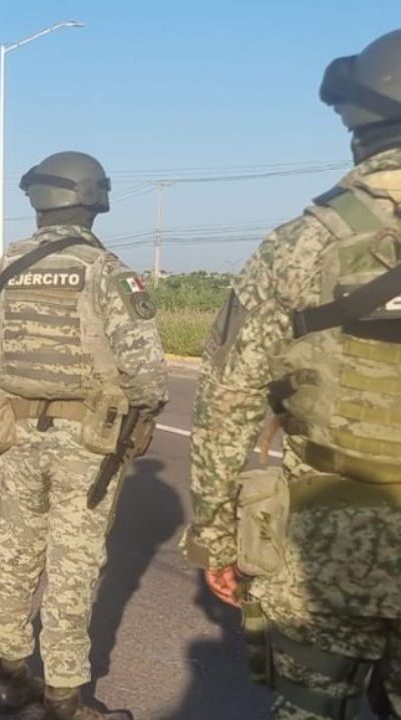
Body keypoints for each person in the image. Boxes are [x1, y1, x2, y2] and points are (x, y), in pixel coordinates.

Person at [182, 29, 401, 720]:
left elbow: (229, 403)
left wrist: (217, 536)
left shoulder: (301, 245)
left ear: (355, 122)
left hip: (327, 542)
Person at [0, 151, 167, 719]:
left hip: (15, 436)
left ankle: (8, 676)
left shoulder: (2, 269)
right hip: (88, 443)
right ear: (91, 197)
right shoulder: (105, 271)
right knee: (73, 563)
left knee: (15, 552)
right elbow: (147, 372)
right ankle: (63, 696)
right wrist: (137, 425)